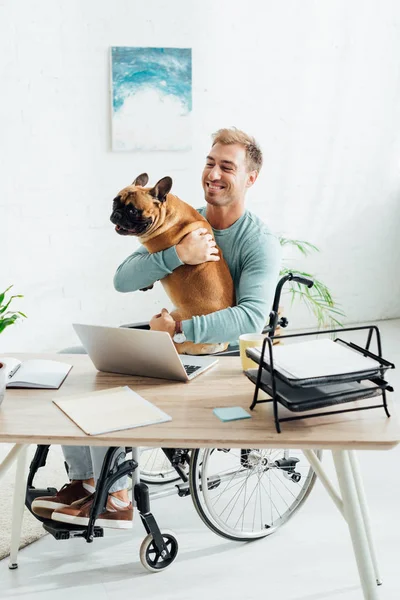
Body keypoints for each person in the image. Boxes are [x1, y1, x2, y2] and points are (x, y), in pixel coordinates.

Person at [32, 127, 281, 529]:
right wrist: (178, 254)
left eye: (227, 167)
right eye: (210, 162)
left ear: (250, 178)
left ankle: (116, 495)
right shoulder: (178, 220)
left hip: (216, 355)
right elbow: (124, 279)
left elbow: (252, 316)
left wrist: (178, 329)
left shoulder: (259, 241)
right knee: (69, 363)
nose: (214, 173)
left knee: (109, 380)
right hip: (171, 341)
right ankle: (86, 480)